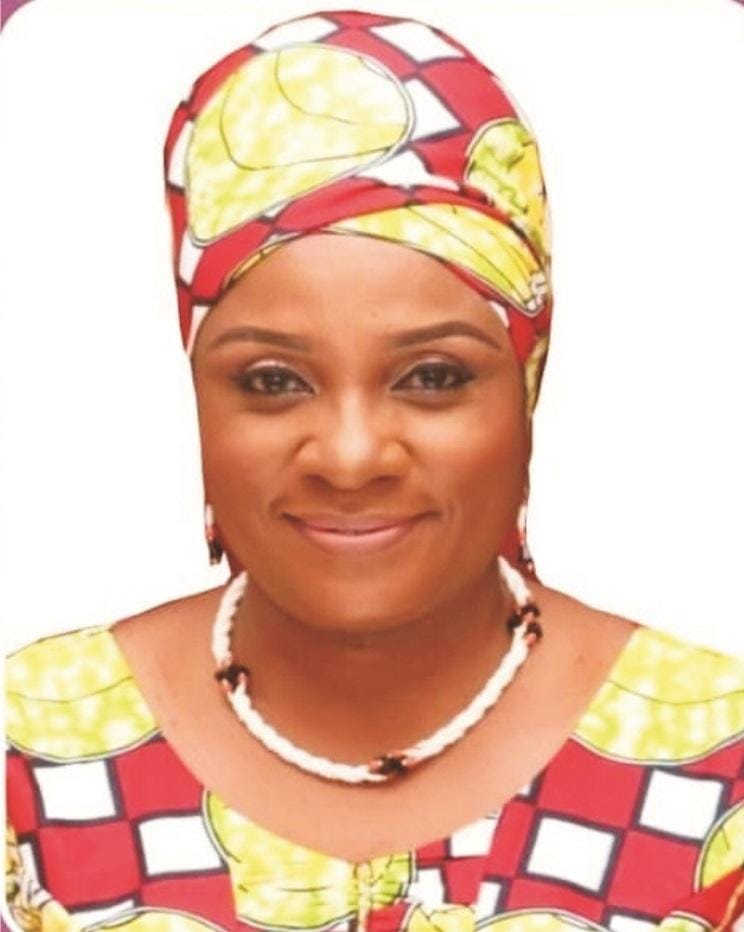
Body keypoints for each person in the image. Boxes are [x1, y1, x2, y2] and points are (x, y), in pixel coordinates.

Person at [5, 9, 744, 932]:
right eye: (271, 381)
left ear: (525, 391)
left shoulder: (716, 763)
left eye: (432, 378)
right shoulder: (32, 752)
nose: (350, 457)